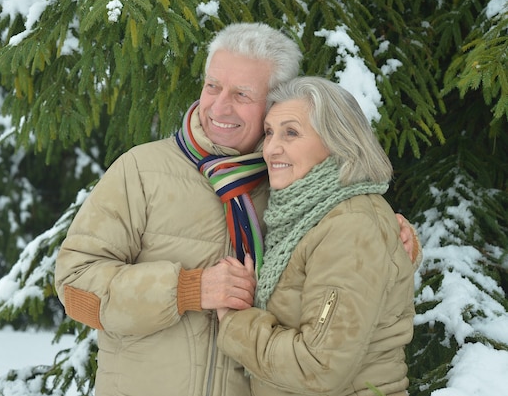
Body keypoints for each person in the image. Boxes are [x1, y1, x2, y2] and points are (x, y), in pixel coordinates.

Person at [54, 23, 419, 396]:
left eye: (242, 94)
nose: (219, 106)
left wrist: (391, 244)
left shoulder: (293, 185)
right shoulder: (142, 171)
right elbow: (75, 290)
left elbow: (342, 268)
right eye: (213, 86)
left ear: (274, 103)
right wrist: (186, 289)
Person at [216, 76, 419, 396]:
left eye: (291, 133)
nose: (271, 148)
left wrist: (235, 324)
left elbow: (318, 367)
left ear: (337, 141)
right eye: (269, 132)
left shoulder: (350, 226)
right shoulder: (306, 214)